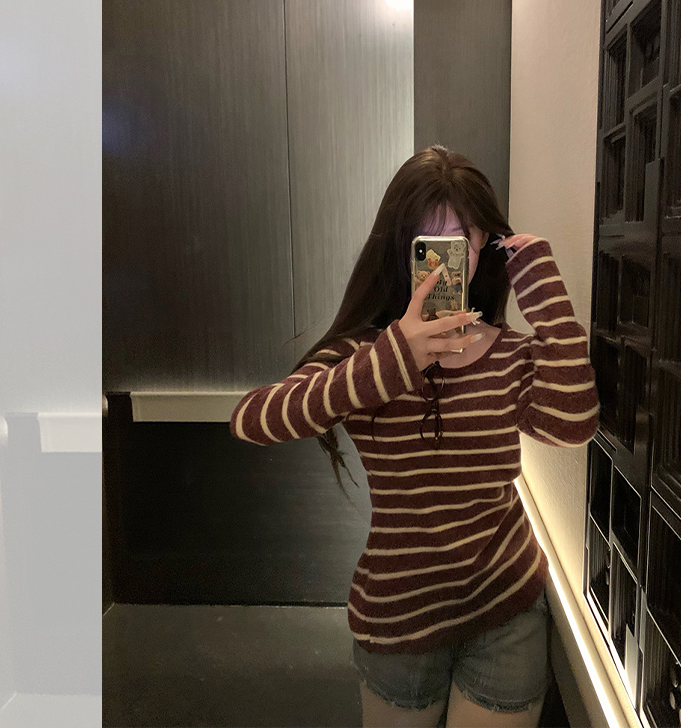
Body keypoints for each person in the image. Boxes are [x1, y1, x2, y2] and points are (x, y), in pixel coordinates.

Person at [230, 145, 599, 727]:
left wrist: (550, 304)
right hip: (399, 619)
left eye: (461, 239)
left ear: (482, 244)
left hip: (506, 605)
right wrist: (395, 355)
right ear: (402, 249)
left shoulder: (508, 353)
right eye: (428, 242)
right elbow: (254, 420)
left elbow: (572, 425)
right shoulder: (365, 355)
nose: (444, 260)